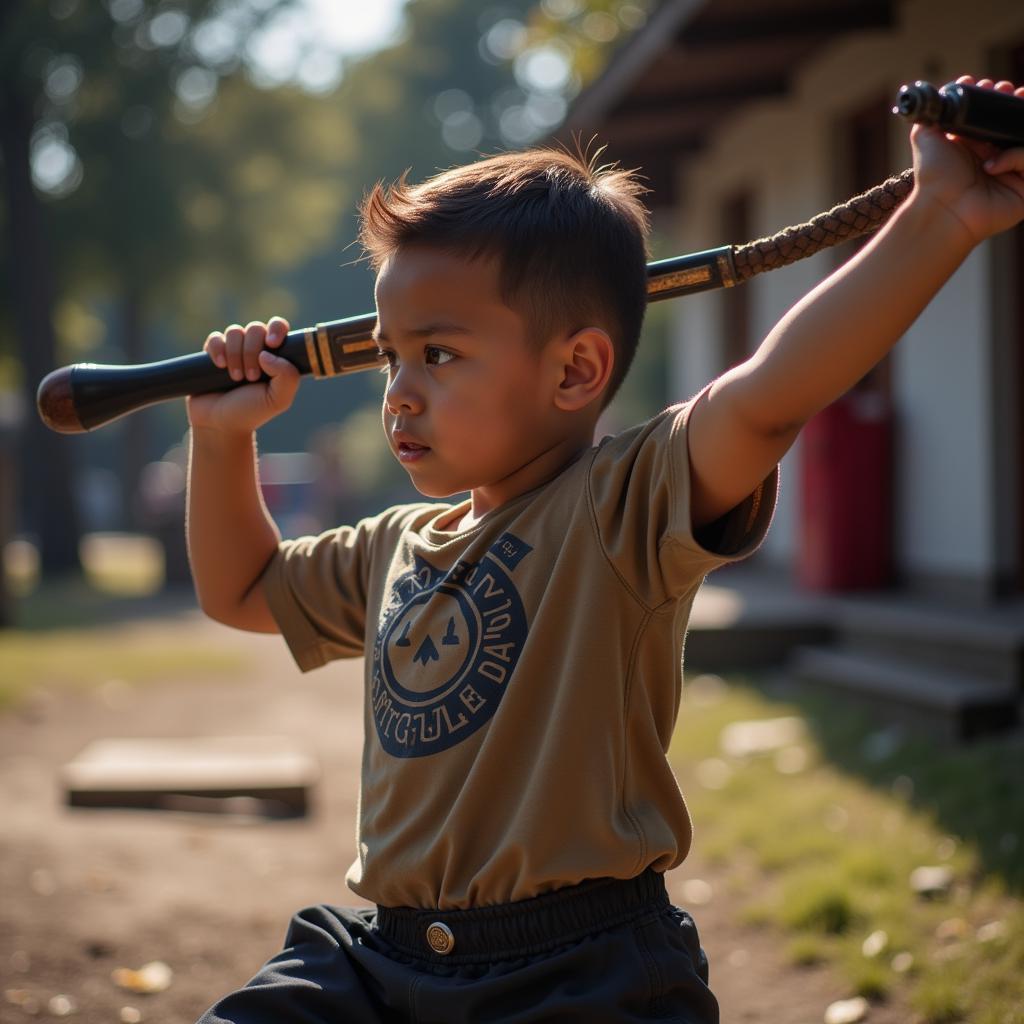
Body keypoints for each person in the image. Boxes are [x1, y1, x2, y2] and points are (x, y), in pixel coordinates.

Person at [187, 76, 1024, 1023]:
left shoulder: (623, 504)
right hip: (383, 958)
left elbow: (769, 395)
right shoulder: (394, 545)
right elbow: (244, 587)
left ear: (577, 369)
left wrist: (939, 216)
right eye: (390, 353)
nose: (401, 391)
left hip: (580, 972)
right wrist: (223, 439)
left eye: (441, 353)